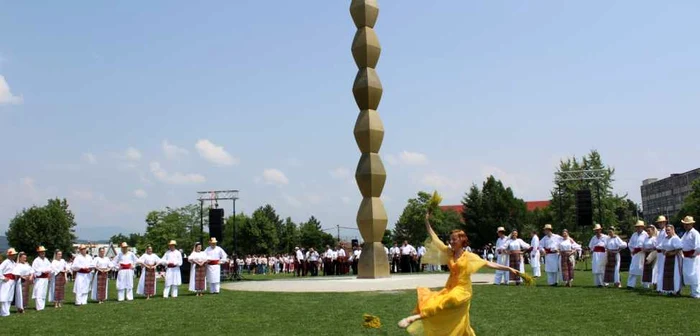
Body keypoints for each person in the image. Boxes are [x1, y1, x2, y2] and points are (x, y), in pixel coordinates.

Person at [398, 210, 522, 334]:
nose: (451, 242)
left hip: (463, 290)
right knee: (447, 311)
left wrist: (509, 268)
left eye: (454, 240)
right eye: (450, 240)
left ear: (462, 241)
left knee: (446, 301)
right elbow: (435, 239)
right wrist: (426, 221)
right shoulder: (448, 252)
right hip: (450, 287)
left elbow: (489, 263)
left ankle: (414, 318)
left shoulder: (469, 256)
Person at [659, 224, 682, 295]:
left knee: (675, 274)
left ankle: (676, 290)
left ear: (672, 230)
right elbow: (661, 246)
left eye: (669, 230)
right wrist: (664, 252)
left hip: (674, 258)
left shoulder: (675, 238)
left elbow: (679, 248)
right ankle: (668, 289)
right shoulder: (665, 238)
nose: (667, 231)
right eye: (666, 230)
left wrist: (671, 253)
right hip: (667, 258)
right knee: (666, 274)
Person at [679, 216, 700, 298]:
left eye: (687, 224)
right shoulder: (686, 233)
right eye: (685, 224)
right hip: (686, 257)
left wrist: (694, 254)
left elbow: (698, 246)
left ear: (691, 224)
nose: (686, 226)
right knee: (689, 275)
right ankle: (693, 292)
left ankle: (696, 293)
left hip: (693, 257)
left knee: (695, 274)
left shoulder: (695, 233)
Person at [626, 220, 649, 289]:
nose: (638, 228)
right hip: (635, 253)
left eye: (640, 227)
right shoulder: (634, 234)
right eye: (637, 227)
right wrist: (632, 250)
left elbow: (647, 243)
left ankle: (645, 285)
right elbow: (630, 244)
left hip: (642, 254)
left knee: (643, 269)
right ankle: (630, 284)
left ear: (642, 227)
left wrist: (644, 249)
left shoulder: (646, 234)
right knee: (633, 269)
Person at [31, 246, 52, 311]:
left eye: (43, 252)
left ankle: (42, 306)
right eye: (41, 252)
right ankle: (39, 307)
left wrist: (48, 271)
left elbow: (50, 267)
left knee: (43, 292)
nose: (43, 253)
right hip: (39, 278)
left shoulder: (46, 260)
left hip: (45, 278)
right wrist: (42, 271)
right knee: (39, 292)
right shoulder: (36, 260)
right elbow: (35, 269)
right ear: (39, 253)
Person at [0, 248, 18, 316]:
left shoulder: (13, 262)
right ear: (9, 255)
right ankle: (4, 312)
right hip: (6, 281)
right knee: (5, 296)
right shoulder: (6, 262)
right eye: (12, 255)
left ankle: (6, 311)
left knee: (10, 296)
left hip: (12, 280)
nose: (14, 256)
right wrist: (3, 278)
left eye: (14, 255)